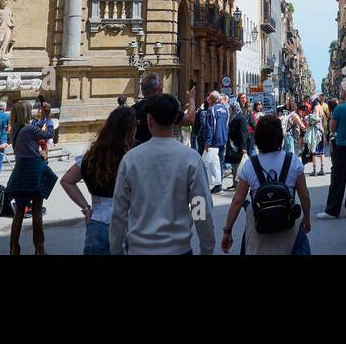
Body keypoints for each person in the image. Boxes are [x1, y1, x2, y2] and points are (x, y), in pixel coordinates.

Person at [109, 94, 216, 254]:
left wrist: (116, 250)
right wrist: (207, 248)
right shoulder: (191, 159)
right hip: (178, 249)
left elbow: (119, 211)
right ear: (175, 120)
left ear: (149, 120)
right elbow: (200, 208)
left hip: (139, 249)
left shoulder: (131, 159)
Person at [221, 113, 313, 254]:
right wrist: (306, 218)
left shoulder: (250, 165)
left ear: (257, 138)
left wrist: (227, 231)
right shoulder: (293, 161)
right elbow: (304, 195)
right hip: (288, 224)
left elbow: (237, 201)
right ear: (280, 137)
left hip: (259, 226)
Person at [61, 105, 136, 255]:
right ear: (130, 130)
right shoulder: (133, 158)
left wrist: (86, 207)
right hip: (130, 223)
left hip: (98, 222)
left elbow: (67, 181)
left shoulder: (91, 157)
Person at [4, 100, 56, 255]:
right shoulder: (29, 129)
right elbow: (49, 134)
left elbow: (36, 128)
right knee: (37, 211)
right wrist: (48, 117)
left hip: (20, 170)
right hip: (33, 171)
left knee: (19, 211)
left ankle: (14, 248)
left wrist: (42, 118)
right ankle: (39, 248)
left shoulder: (16, 130)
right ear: (25, 114)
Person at [317, 85, 346, 219]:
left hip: (343, 145)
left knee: (338, 178)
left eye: (342, 89)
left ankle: (332, 210)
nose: (341, 91)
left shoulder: (340, 108)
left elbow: (332, 129)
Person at [207, 91, 230, 193]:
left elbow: (210, 127)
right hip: (223, 139)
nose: (208, 99)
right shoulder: (225, 109)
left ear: (213, 99)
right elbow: (227, 125)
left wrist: (207, 142)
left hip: (214, 141)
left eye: (210, 98)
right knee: (219, 162)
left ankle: (216, 184)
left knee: (213, 163)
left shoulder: (211, 110)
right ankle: (219, 183)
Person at [304, 100, 326, 175]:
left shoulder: (316, 107)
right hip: (321, 131)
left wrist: (310, 122)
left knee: (314, 151)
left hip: (315, 132)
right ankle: (322, 169)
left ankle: (314, 170)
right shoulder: (321, 108)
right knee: (321, 151)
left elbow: (316, 119)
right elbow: (321, 119)